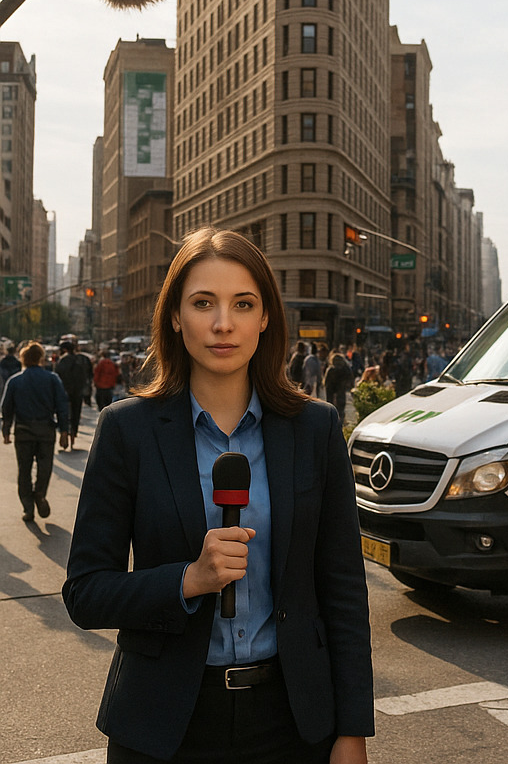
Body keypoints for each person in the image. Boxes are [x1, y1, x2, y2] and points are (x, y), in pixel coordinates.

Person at [63, 228, 373, 764]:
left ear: (266, 317)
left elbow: (343, 589)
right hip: (163, 724)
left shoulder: (315, 429)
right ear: (176, 317)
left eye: (243, 304)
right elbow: (86, 592)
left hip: (293, 721)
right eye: (203, 303)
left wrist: (352, 729)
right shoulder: (127, 431)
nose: (223, 323)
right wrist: (189, 580)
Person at [2, 341, 70, 522]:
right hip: (46, 431)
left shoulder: (15, 380)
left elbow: (6, 407)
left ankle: (28, 508)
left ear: (23, 358)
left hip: (23, 431)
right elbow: (62, 406)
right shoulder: (52, 378)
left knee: (24, 470)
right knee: (44, 466)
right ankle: (40, 493)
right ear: (41, 358)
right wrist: (64, 431)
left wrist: (6, 429)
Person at [55, 339, 90, 449]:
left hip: (64, 391)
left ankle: (64, 432)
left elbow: (58, 376)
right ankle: (73, 435)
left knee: (63, 413)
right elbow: (88, 374)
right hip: (78, 392)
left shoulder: (62, 360)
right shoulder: (82, 359)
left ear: (64, 349)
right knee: (76, 413)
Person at [323, 352, 353, 420]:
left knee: (331, 412)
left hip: (331, 394)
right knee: (341, 411)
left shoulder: (330, 370)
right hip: (341, 393)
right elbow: (350, 381)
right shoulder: (346, 369)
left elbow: (326, 383)